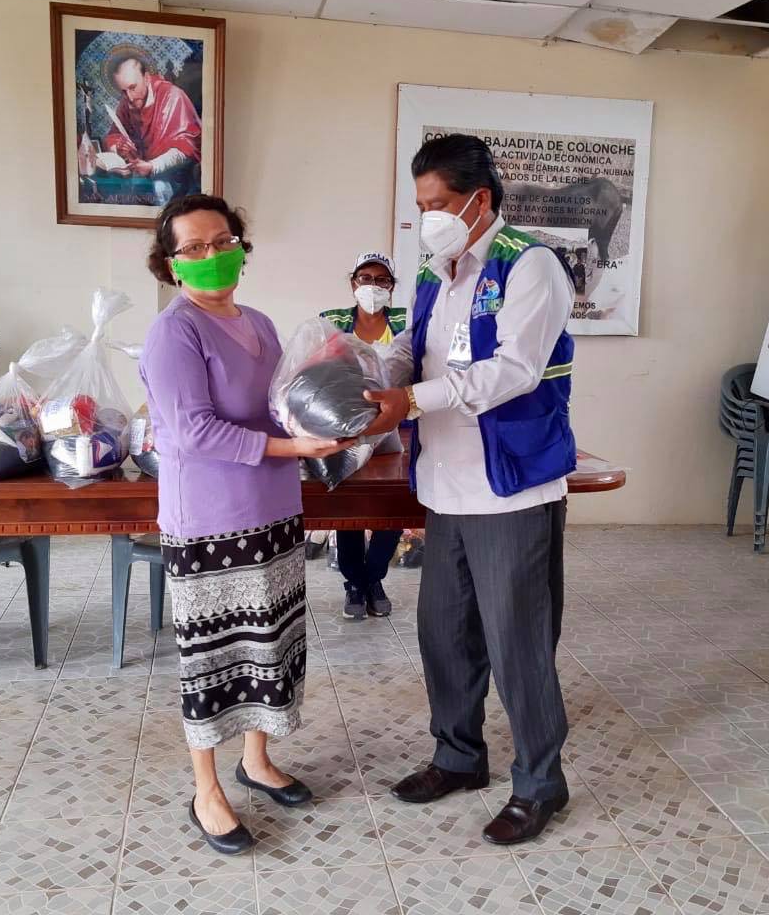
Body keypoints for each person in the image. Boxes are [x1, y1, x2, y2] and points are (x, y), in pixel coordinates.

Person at [363, 134, 577, 845]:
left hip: (508, 487)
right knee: (445, 637)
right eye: (420, 205)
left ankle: (540, 783)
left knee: (518, 645)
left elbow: (515, 369)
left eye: (439, 204)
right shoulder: (437, 270)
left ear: (479, 200)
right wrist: (374, 371)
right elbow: (416, 347)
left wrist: (413, 400)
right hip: (445, 486)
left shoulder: (530, 265)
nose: (428, 218)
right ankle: (458, 758)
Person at [139, 193, 349, 855]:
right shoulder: (174, 332)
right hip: (209, 521)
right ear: (171, 264)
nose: (212, 255)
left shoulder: (258, 321)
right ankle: (206, 790)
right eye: (194, 247)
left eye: (223, 241)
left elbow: (280, 404)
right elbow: (193, 431)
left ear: (241, 246)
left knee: (271, 642)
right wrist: (292, 447)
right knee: (214, 657)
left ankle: (256, 760)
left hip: (274, 509)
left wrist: (332, 391)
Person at [319, 252, 408, 620]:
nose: (373, 285)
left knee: (393, 507)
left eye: (382, 279)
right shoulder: (331, 322)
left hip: (400, 427)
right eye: (365, 278)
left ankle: (374, 577)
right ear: (353, 283)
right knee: (351, 507)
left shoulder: (406, 322)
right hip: (351, 428)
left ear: (392, 286)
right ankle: (356, 582)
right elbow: (320, 370)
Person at [101, 56, 202, 203]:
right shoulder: (126, 101)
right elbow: (114, 135)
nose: (129, 97)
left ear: (147, 78)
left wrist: (152, 166)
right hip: (138, 172)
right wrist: (120, 147)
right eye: (123, 91)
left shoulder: (172, 96)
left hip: (174, 176)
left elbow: (188, 146)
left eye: (132, 87)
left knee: (159, 187)